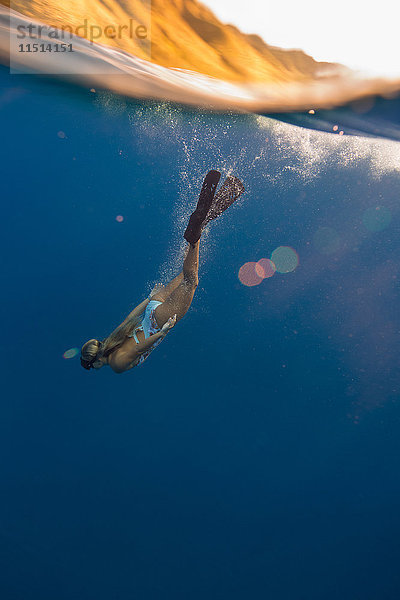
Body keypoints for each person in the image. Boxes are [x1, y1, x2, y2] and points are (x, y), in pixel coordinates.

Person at [80, 170, 244, 373]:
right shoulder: (114, 338)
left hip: (157, 323)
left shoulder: (115, 364)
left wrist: (163, 331)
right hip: (152, 308)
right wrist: (150, 299)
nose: (96, 368)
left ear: (95, 362)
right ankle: (204, 220)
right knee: (187, 273)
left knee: (191, 281)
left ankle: (195, 237)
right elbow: (129, 318)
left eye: (93, 367)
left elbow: (139, 348)